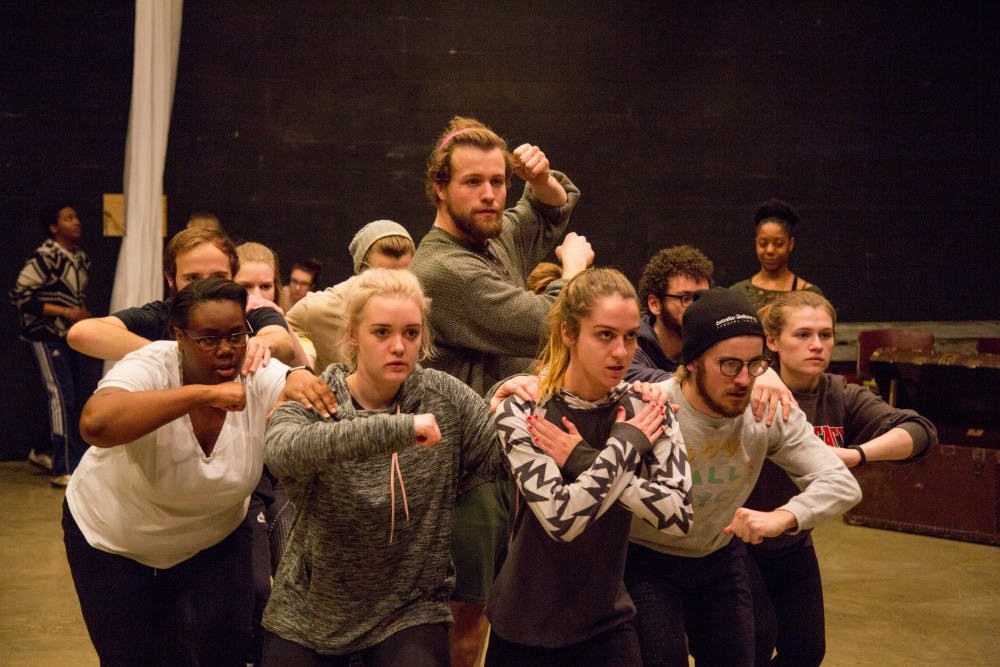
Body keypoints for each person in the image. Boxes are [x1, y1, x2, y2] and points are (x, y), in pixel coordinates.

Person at [62, 277, 331, 665]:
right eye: (208, 339)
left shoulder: (253, 370)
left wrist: (299, 375)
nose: (225, 349)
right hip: (113, 542)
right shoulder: (151, 364)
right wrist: (202, 395)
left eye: (236, 335)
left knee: (223, 653)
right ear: (179, 337)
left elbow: (299, 391)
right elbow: (96, 424)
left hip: (211, 540)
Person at [410, 115, 592, 665]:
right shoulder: (442, 270)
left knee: (499, 610)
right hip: (466, 471)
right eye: (473, 182)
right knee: (465, 620)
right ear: (440, 188)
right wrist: (575, 271)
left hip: (509, 459)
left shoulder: (493, 236)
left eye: (498, 181)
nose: (490, 194)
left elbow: (554, 206)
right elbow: (550, 322)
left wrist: (540, 179)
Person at [260, 268, 510, 666]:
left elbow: (498, 452)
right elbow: (282, 451)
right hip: (312, 609)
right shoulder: (318, 397)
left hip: (409, 607)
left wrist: (513, 399)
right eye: (381, 332)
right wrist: (399, 429)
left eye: (411, 333)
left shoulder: (443, 397)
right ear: (352, 336)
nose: (398, 346)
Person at [623, 287, 861, 667]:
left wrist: (784, 516)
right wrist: (524, 385)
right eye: (730, 365)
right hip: (647, 559)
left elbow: (842, 484)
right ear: (693, 362)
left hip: (718, 554)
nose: (744, 380)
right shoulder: (649, 404)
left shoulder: (765, 409)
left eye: (755, 364)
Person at [486, 268, 693, 666]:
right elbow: (562, 518)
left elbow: (679, 515)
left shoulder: (647, 408)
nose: (621, 352)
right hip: (523, 625)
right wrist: (625, 446)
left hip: (606, 621)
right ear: (568, 333)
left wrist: (583, 458)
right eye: (604, 335)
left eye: (630, 336)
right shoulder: (523, 409)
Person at [745, 291, 938, 666]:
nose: (817, 345)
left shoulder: (839, 394)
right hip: (739, 543)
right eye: (803, 335)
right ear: (772, 341)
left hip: (792, 541)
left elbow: (920, 432)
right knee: (753, 641)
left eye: (826, 335)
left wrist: (856, 454)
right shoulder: (751, 389)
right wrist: (760, 371)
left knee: (806, 651)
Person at [67, 226, 297, 374]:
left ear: (233, 275)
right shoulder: (164, 314)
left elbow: (282, 341)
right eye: (192, 278)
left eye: (218, 276)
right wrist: (172, 356)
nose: (205, 287)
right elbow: (82, 333)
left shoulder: (251, 309)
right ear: (171, 278)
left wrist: (263, 343)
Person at [627, 244, 795, 425]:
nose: (697, 308)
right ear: (654, 304)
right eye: (686, 298)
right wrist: (757, 378)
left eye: (702, 298)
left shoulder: (715, 342)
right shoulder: (630, 343)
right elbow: (671, 385)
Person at [10, 203, 92, 487]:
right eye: (68, 218)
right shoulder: (44, 257)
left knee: (71, 394)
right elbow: (21, 296)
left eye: (76, 216)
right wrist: (66, 312)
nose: (76, 222)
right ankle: (63, 467)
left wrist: (82, 314)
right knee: (61, 395)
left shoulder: (80, 258)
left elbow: (76, 294)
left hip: (70, 336)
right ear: (54, 227)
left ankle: (42, 449)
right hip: (44, 335)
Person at [285, 220, 414, 374]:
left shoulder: (418, 306)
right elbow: (284, 331)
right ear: (361, 273)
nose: (395, 285)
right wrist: (304, 366)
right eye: (383, 276)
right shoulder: (324, 307)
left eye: (403, 276)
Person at [730, 199, 824, 311]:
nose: (770, 250)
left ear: (791, 244)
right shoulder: (738, 293)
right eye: (763, 244)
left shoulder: (809, 295)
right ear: (756, 242)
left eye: (778, 244)